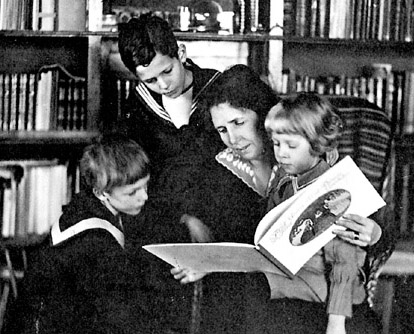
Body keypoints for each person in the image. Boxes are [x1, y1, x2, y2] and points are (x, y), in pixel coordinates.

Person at [172, 65, 384, 333]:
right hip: (267, 291)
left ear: (262, 115)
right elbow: (231, 246)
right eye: (222, 130)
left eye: (238, 123)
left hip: (326, 292)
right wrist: (198, 237)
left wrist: (374, 234)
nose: (233, 139)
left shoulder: (310, 159)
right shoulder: (220, 171)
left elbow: (365, 236)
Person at [116, 13, 223, 333]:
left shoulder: (220, 89)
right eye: (150, 80)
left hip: (222, 213)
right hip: (164, 218)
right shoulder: (138, 107)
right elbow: (138, 176)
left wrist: (205, 221)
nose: (163, 85)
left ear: (182, 55)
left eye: (167, 71)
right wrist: (183, 218)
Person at [4, 135, 168, 334]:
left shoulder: (82, 207)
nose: (145, 197)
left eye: (146, 186)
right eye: (132, 192)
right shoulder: (95, 245)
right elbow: (120, 319)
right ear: (101, 193)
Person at [263, 92, 378, 334]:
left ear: (317, 144)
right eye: (276, 144)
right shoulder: (283, 180)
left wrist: (336, 323)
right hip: (291, 293)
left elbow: (344, 263)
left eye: (291, 145)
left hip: (330, 307)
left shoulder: (335, 188)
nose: (281, 152)